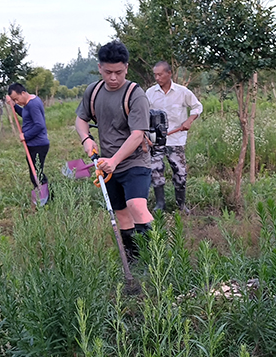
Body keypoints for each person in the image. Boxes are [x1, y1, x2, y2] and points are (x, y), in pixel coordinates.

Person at [75, 40, 153, 260]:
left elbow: (137, 135)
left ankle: (155, 256)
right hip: (106, 164)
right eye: (108, 72)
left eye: (118, 72)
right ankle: (134, 259)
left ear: (126, 68)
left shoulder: (135, 95)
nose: (113, 78)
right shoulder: (93, 91)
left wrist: (116, 160)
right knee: (121, 213)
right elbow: (81, 120)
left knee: (136, 205)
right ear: (99, 67)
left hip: (134, 160)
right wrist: (86, 139)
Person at [145, 60, 203, 212]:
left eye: (160, 74)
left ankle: (181, 204)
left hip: (176, 139)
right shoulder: (150, 93)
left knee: (180, 173)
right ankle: (160, 204)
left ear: (169, 73)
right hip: (156, 140)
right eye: (155, 75)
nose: (157, 78)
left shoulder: (182, 92)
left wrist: (189, 120)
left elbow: (197, 106)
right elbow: (144, 115)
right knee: (155, 171)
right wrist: (146, 137)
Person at [5, 83, 50, 190]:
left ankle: (47, 196)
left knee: (37, 175)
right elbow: (25, 114)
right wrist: (14, 106)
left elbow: (39, 125)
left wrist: (26, 136)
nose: (17, 102)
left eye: (16, 99)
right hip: (34, 144)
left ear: (23, 93)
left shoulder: (32, 104)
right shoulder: (29, 102)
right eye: (14, 100)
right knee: (36, 173)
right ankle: (43, 194)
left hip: (38, 145)